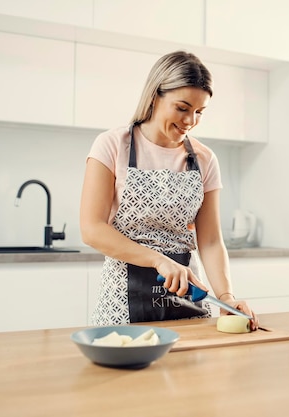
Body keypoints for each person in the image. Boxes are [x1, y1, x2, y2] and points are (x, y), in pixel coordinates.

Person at [80, 50, 258, 330]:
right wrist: (158, 261)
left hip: (188, 300)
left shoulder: (204, 159)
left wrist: (226, 297)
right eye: (182, 108)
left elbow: (210, 241)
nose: (191, 121)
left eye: (199, 112)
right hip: (122, 306)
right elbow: (92, 229)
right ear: (155, 96)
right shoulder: (112, 145)